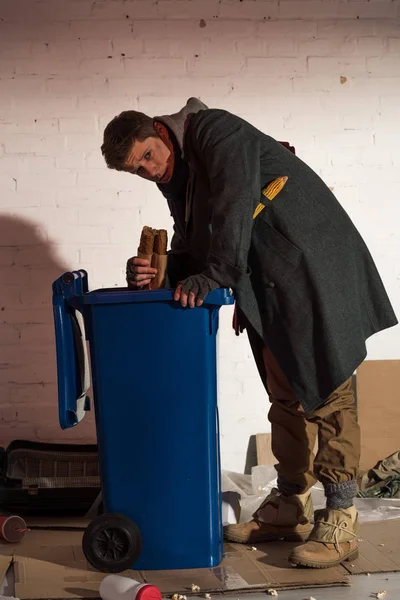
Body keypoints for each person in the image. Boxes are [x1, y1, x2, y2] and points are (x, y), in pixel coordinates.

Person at [100, 98, 397, 569]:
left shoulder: (215, 132)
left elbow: (237, 206)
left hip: (309, 263)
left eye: (148, 156)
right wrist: (164, 269)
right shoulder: (178, 175)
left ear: (160, 130)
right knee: (284, 390)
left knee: (329, 389)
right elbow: (195, 238)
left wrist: (218, 276)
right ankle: (289, 504)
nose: (149, 172)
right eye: (137, 170)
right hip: (263, 278)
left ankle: (341, 517)